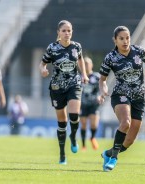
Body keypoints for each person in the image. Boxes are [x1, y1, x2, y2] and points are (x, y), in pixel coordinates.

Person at [99, 26, 145, 171]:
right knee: (125, 123)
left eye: (127, 38)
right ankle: (113, 159)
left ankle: (108, 153)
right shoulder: (110, 57)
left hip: (139, 97)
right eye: (121, 38)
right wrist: (103, 90)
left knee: (129, 141)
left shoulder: (139, 51)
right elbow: (102, 79)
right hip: (120, 94)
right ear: (115, 40)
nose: (125, 41)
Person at [39, 20, 89, 165]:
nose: (67, 33)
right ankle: (62, 155)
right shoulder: (52, 48)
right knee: (62, 123)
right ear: (58, 32)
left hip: (74, 84)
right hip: (57, 87)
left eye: (69, 30)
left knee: (74, 115)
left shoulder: (76, 46)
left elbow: (80, 60)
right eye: (64, 31)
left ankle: (73, 136)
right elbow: (42, 63)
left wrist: (84, 74)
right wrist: (42, 70)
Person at [80, 56, 101, 151]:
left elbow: (101, 88)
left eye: (88, 64)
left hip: (93, 104)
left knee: (93, 124)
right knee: (83, 124)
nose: (86, 66)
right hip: (83, 104)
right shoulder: (79, 77)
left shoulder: (96, 76)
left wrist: (100, 96)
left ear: (92, 65)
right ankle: (83, 145)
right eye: (85, 64)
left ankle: (92, 138)